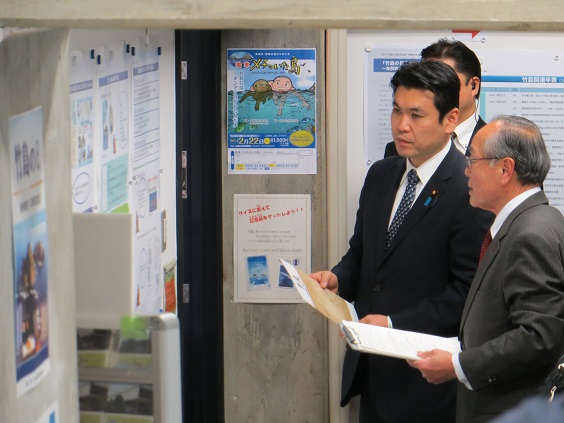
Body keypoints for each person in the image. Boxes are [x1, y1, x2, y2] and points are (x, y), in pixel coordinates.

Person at [310, 60, 493, 423]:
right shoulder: (381, 173)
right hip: (371, 371)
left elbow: (467, 294)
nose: (401, 125)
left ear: (450, 119)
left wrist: (393, 322)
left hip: (427, 381)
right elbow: (362, 253)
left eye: (415, 114)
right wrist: (337, 279)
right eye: (396, 110)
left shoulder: (467, 188)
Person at [408, 115, 564, 423]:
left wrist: (459, 365)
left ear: (505, 169)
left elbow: (538, 334)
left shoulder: (530, 233)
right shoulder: (532, 220)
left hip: (511, 409)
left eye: (473, 161)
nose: (466, 172)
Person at [385, 38, 485, 158]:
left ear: (473, 85)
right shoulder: (398, 148)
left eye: (447, 79)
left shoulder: (498, 146)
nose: (433, 89)